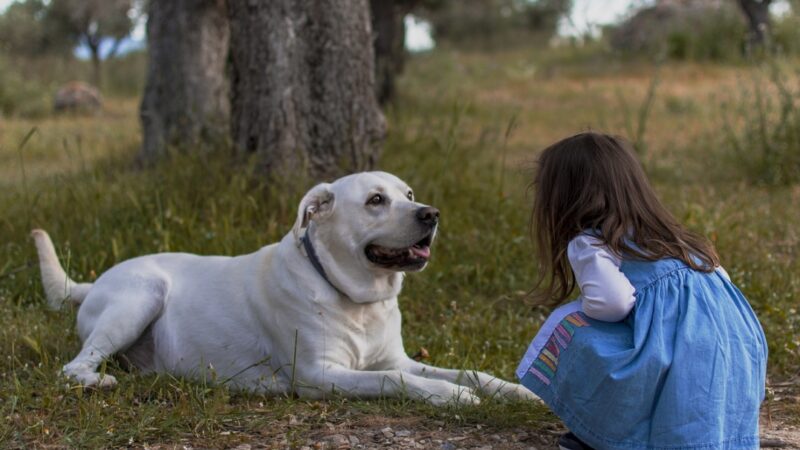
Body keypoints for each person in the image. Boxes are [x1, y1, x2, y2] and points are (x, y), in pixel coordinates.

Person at [516, 132, 767, 449]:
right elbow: (721, 287)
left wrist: (586, 311)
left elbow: (613, 303)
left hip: (675, 357)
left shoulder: (592, 243)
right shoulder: (675, 238)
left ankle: (603, 431)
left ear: (564, 197)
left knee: (569, 326)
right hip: (737, 351)